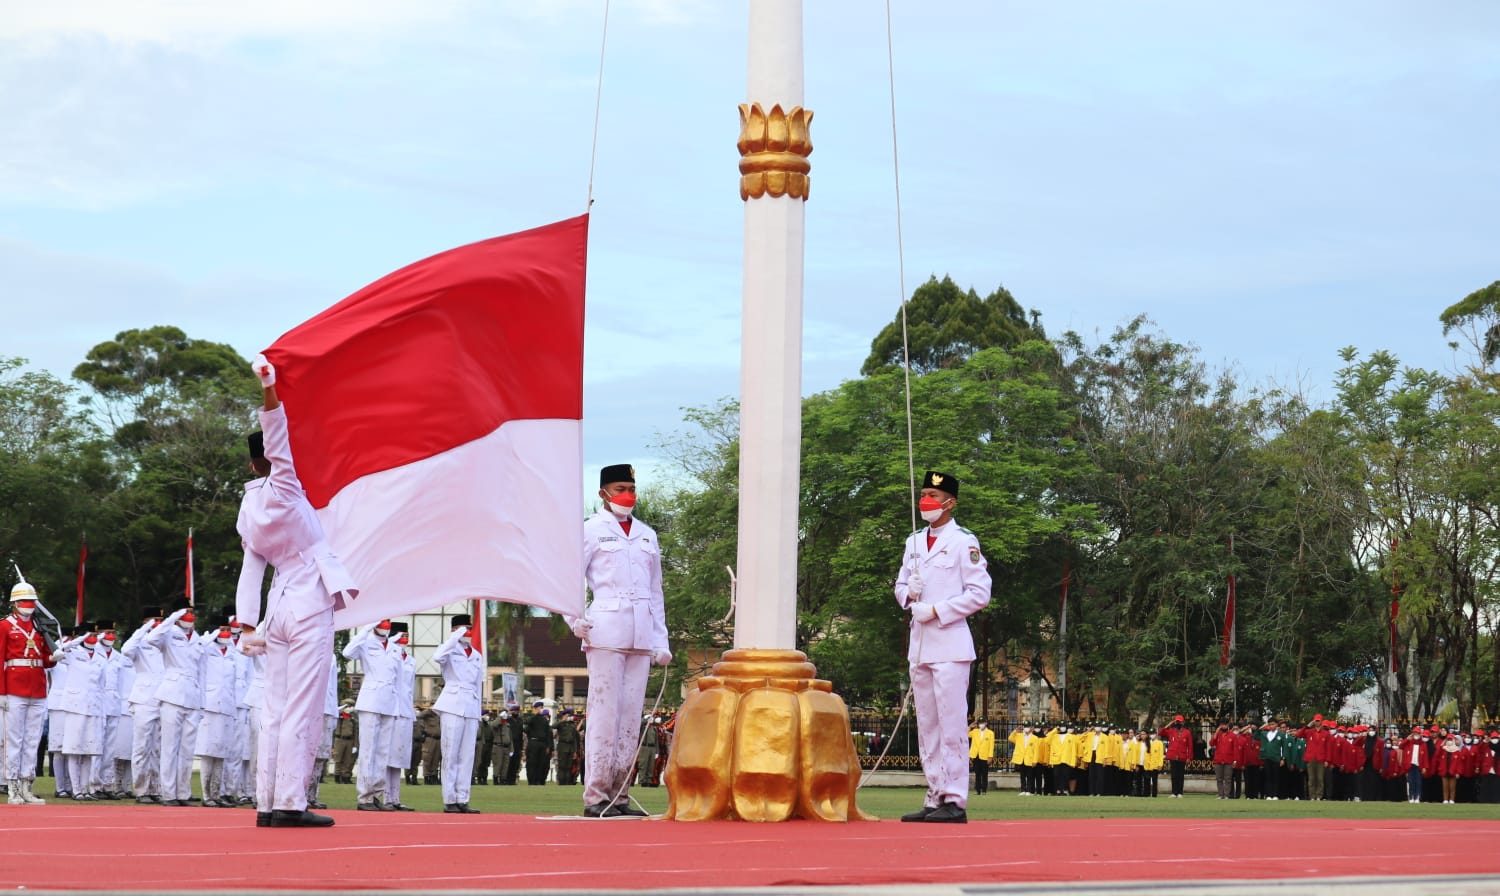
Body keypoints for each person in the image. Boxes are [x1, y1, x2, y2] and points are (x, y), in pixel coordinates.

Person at [235, 356, 357, 828]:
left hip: (276, 609)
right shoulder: (284, 487)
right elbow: (278, 436)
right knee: (302, 709)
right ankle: (290, 801)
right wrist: (269, 388)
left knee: (275, 709)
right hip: (307, 602)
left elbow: (251, 569)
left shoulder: (249, 507)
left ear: (249, 462)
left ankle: (267, 804)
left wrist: (247, 626)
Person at [571, 463, 671, 817]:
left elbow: (655, 591)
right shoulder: (590, 531)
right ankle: (596, 796)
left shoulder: (647, 534)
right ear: (603, 494)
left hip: (641, 633)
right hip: (604, 629)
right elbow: (569, 578)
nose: (627, 494)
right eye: (619, 488)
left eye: (630, 487)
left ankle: (621, 794)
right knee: (604, 713)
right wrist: (573, 618)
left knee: (631, 717)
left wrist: (662, 640)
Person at [894, 470, 992, 823]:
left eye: (933, 496)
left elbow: (980, 594)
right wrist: (909, 593)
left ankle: (955, 798)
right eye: (923, 494)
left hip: (950, 644)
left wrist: (937, 609)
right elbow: (900, 586)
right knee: (928, 726)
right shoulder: (914, 542)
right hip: (920, 645)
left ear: (950, 502)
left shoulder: (964, 541)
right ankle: (935, 794)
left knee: (951, 726)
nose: (926, 501)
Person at [148, 603, 202, 807]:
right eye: (186, 613)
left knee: (187, 749)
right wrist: (172, 618)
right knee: (169, 747)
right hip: (172, 695)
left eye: (191, 613)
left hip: (193, 697)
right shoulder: (169, 633)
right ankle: (168, 793)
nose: (189, 616)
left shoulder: (197, 639)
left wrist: (202, 702)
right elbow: (150, 638)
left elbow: (201, 671)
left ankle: (183, 793)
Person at [343, 620, 398, 811]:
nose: (385, 625)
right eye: (381, 622)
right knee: (368, 750)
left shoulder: (394, 647)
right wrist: (364, 629)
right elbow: (347, 652)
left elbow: (396, 677)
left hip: (389, 702)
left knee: (383, 752)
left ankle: (376, 794)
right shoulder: (365, 642)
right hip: (371, 700)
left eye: (387, 622)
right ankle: (364, 796)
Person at [433, 615, 483, 814]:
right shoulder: (449, 649)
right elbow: (437, 657)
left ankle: (463, 798)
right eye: (464, 628)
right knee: (450, 753)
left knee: (467, 756)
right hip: (452, 704)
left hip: (470, 705)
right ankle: (449, 799)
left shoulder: (476, 655)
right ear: (455, 629)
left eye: (470, 628)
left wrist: (478, 713)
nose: (468, 632)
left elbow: (478, 684)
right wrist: (455, 636)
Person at [120, 607, 164, 803]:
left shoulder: (164, 642)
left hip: (163, 698)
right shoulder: (139, 643)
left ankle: (155, 788)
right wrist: (144, 629)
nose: (158, 624)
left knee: (158, 747)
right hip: (144, 699)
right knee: (142, 746)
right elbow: (126, 649)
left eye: (160, 620)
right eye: (154, 620)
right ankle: (141, 789)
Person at [384, 623, 416, 811]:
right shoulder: (388, 656)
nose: (405, 640)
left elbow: (410, 688)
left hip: (405, 711)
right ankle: (386, 796)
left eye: (407, 636)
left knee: (400, 757)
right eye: (401, 636)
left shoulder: (410, 660)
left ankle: (395, 798)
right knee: (387, 757)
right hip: (391, 709)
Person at [1158, 715, 1193, 798]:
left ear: (1183, 722)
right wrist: (1170, 723)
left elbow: (1190, 746)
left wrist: (1189, 757)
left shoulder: (1187, 732)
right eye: (1177, 721)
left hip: (1182, 756)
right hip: (1173, 756)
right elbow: (1161, 732)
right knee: (1173, 775)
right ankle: (1174, 792)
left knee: (1180, 775)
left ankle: (1180, 792)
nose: (1178, 723)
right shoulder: (1171, 731)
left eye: (1179, 721)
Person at [526, 702, 553, 785]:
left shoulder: (544, 720)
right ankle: (531, 781)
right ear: (535, 708)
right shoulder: (532, 718)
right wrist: (535, 715)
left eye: (541, 707)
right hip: (533, 742)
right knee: (532, 762)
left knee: (541, 763)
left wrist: (548, 746)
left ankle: (539, 780)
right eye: (538, 707)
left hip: (542, 743)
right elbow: (527, 727)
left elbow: (548, 733)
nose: (540, 709)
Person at [554, 709, 580, 786]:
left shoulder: (572, 726)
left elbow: (575, 739)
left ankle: (568, 782)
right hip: (562, 747)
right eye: (567, 715)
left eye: (569, 716)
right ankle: (561, 782)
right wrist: (562, 720)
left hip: (570, 748)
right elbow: (553, 726)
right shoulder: (561, 724)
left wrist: (575, 751)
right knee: (562, 766)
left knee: (569, 767)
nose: (569, 717)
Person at [332, 705, 357, 784]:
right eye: (348, 706)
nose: (349, 708)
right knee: (338, 759)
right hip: (339, 739)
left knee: (347, 760)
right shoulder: (340, 717)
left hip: (349, 740)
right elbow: (335, 713)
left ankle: (345, 777)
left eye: (350, 706)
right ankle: (337, 776)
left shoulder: (352, 719)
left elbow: (355, 733)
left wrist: (355, 745)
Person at [969, 719, 994, 795]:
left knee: (984, 774)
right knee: (977, 774)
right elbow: (964, 734)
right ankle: (978, 790)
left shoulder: (990, 733)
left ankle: (984, 790)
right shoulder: (975, 731)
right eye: (980, 723)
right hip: (976, 755)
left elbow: (991, 746)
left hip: (985, 756)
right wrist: (970, 727)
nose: (981, 724)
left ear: (986, 723)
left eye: (982, 723)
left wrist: (990, 756)